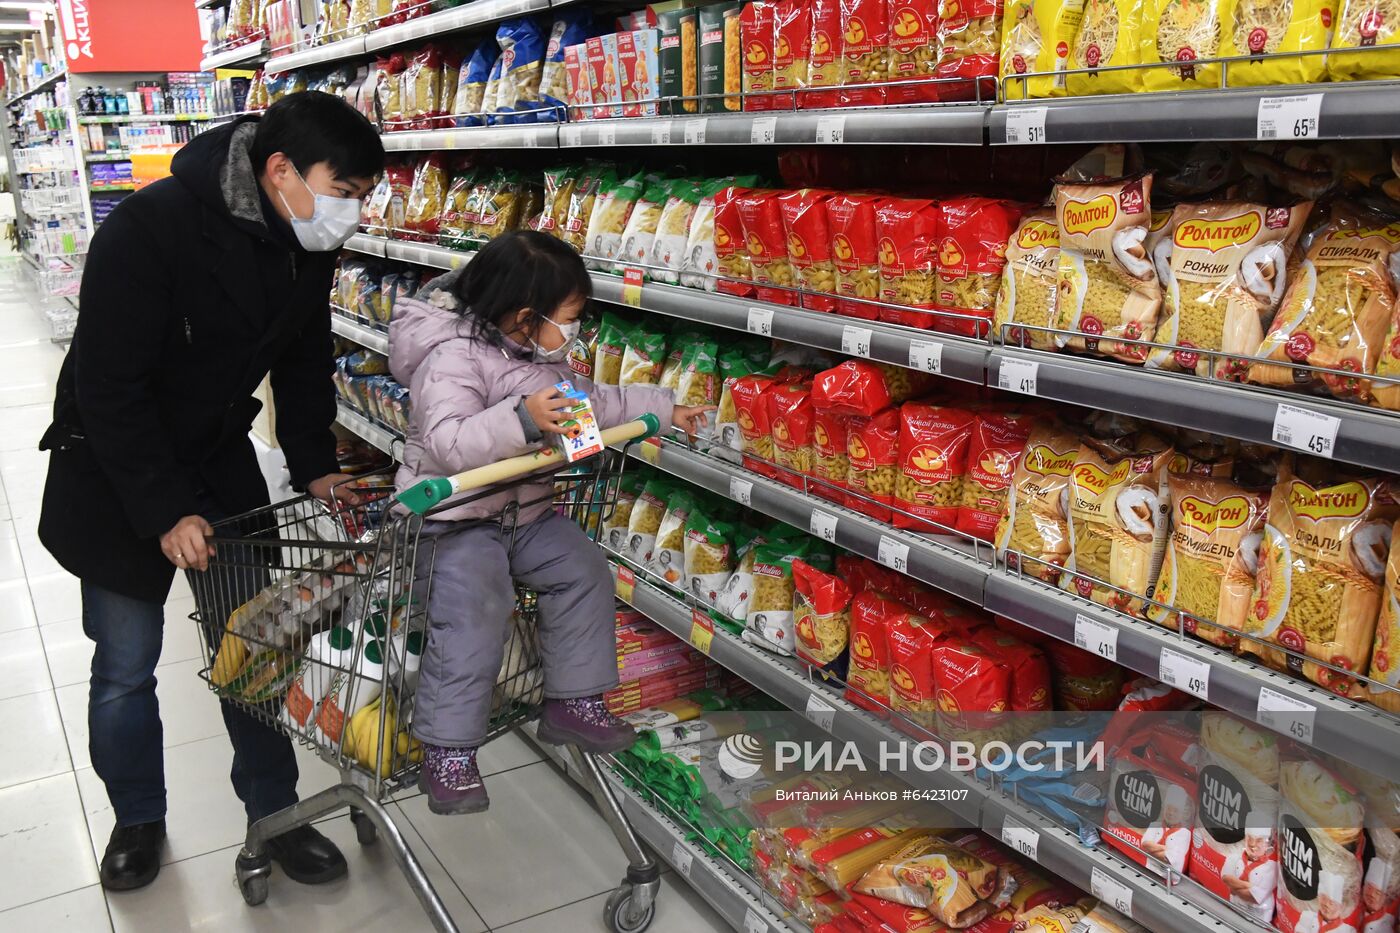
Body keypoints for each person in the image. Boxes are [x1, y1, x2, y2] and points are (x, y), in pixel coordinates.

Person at [38, 91, 384, 891]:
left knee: (251, 647)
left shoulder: (302, 238)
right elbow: (109, 387)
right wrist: (163, 510)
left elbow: (301, 357)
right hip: (118, 467)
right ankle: (138, 817)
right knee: (127, 663)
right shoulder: (147, 229)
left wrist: (314, 460)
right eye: (346, 191)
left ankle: (276, 812)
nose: (352, 213)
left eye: (364, 197)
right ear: (279, 169)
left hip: (218, 459)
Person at [388, 230, 713, 814]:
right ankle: (448, 750)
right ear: (523, 316)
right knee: (476, 607)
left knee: (584, 568)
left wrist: (664, 407)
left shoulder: (543, 359)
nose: (576, 332)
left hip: (525, 513)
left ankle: (572, 703)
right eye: (570, 318)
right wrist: (522, 419)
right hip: (452, 518)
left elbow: (596, 402)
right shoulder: (451, 358)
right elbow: (448, 443)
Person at [1222, 822, 1277, 922]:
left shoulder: (1273, 867)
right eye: (1249, 838)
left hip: (1259, 919)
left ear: (1268, 844)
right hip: (1233, 909)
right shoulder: (1234, 856)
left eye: (1259, 840)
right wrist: (1249, 886)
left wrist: (1235, 887)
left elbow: (1253, 897)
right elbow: (1226, 879)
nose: (1252, 844)